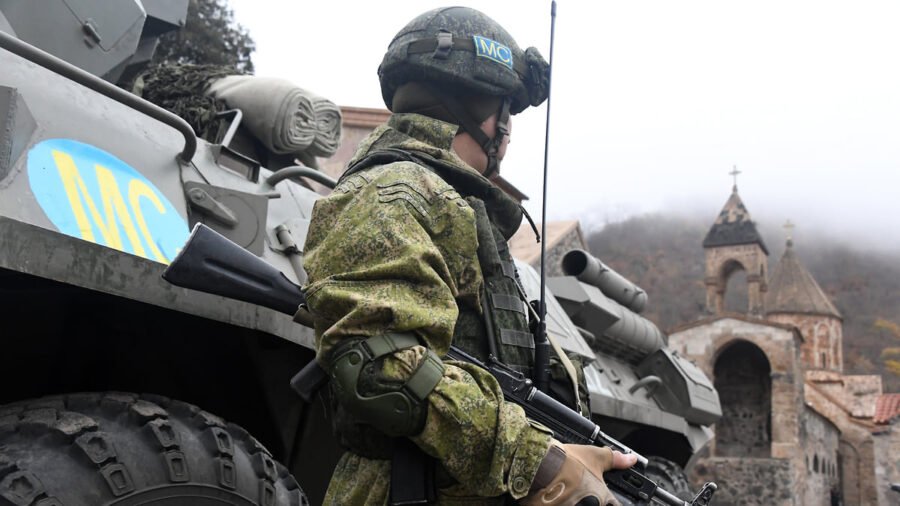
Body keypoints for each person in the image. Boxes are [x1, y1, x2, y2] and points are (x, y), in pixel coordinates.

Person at [301, 6, 635, 505]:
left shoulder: (450, 202)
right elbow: (380, 366)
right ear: (486, 112)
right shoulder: (396, 192)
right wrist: (540, 462)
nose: (510, 132)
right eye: (508, 110)